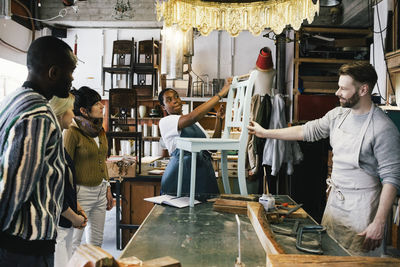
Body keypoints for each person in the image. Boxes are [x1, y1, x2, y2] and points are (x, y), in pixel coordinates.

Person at [247, 62, 400, 256]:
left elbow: (392, 179)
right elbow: (305, 130)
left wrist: (379, 222)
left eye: (344, 88)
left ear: (363, 89)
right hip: (335, 203)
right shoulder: (338, 116)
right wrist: (265, 133)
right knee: (328, 255)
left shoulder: (383, 128)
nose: (337, 92)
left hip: (363, 210)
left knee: (357, 261)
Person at [0, 36, 76, 267]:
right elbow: (15, 185)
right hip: (24, 244)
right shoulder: (38, 115)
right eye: (69, 72)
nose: (72, 79)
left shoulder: (14, 98)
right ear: (53, 73)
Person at [158, 78, 231, 199]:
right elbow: (192, 117)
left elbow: (212, 148)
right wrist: (220, 94)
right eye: (169, 100)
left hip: (203, 176)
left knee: (203, 214)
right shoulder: (166, 121)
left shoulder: (195, 124)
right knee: (177, 216)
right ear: (163, 107)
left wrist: (219, 120)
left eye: (176, 97)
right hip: (180, 177)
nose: (175, 101)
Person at [65, 86, 113, 252]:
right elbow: (65, 168)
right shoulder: (72, 131)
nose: (102, 106)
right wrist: (73, 201)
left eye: (101, 102)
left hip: (100, 190)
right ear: (84, 111)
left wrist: (107, 186)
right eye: (96, 103)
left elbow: (102, 160)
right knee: (73, 244)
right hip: (80, 193)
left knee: (96, 243)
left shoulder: (100, 130)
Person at [49, 94, 88, 267]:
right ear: (60, 114)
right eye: (71, 110)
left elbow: (67, 184)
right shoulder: (51, 146)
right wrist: (74, 217)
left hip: (67, 221)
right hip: (58, 223)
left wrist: (77, 207)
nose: (73, 115)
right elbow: (52, 190)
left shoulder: (58, 142)